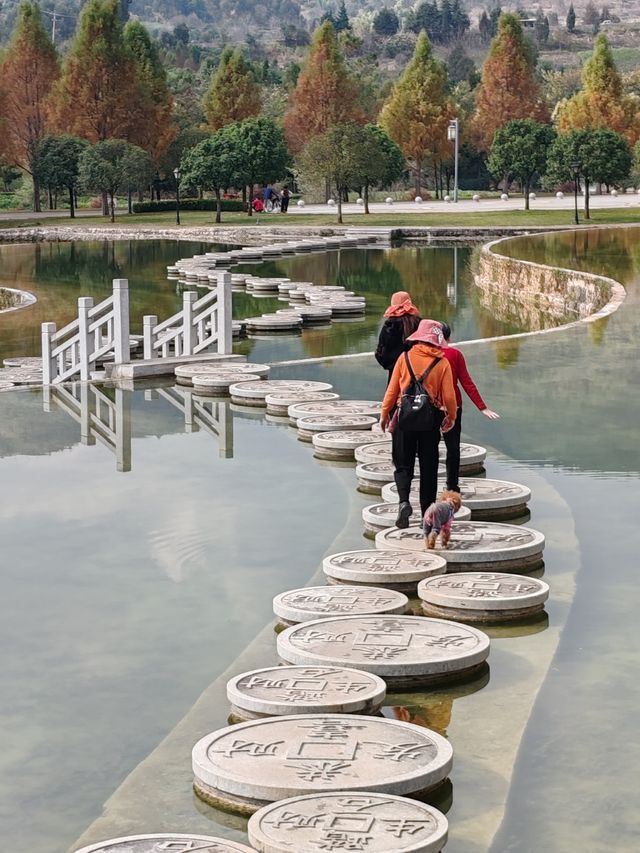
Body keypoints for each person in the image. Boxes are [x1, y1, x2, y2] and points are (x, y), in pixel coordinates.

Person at [381, 319, 457, 528]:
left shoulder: (404, 357)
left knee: (403, 464)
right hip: (429, 420)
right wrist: (451, 417)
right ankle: (428, 514)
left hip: (404, 417)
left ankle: (404, 501)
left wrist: (384, 413)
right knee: (429, 468)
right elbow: (449, 397)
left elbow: (392, 391)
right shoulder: (442, 363)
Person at [439, 322, 500, 492]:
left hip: (431, 407)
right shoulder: (455, 354)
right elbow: (466, 382)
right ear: (449, 337)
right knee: (453, 448)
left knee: (429, 447)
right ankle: (452, 486)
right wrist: (482, 407)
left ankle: (427, 484)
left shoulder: (422, 354)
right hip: (453, 406)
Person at [375, 291, 421, 383]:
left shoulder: (389, 326)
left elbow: (381, 354)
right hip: (417, 373)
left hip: (395, 375)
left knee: (394, 396)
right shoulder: (419, 323)